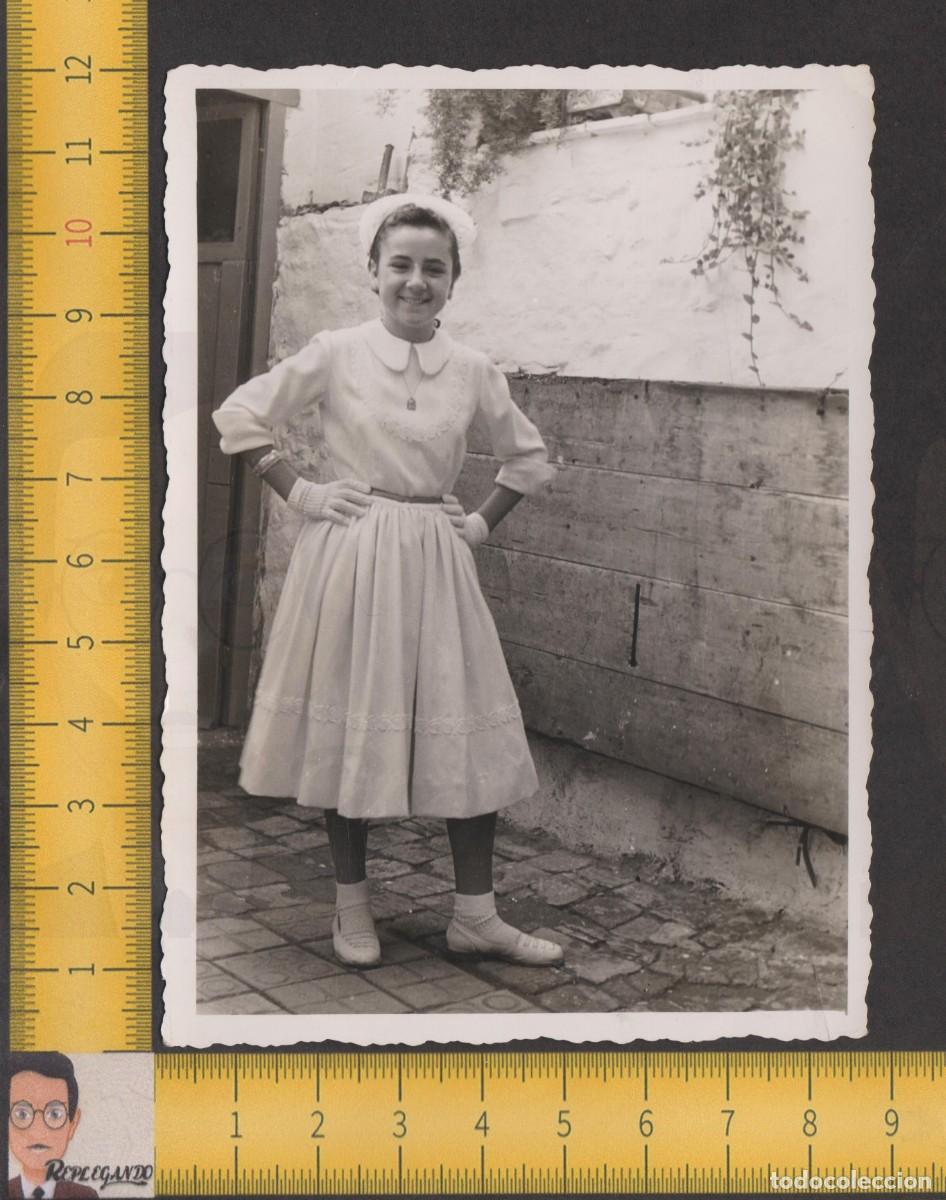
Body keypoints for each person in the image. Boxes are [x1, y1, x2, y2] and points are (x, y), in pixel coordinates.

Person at [212, 192, 563, 970]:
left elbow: (528, 456)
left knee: (467, 729)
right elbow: (241, 415)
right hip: (352, 556)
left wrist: (477, 523)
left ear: (453, 281)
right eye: (399, 264)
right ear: (372, 271)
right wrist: (301, 490)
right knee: (350, 728)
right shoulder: (336, 351)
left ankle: (476, 916)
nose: (415, 280)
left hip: (436, 562)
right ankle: (352, 909)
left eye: (433, 269)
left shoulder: (472, 371)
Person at [7, 1053, 97, 1199]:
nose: (38, 1131)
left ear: (72, 1124)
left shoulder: (85, 1196)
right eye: (22, 1114)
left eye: (55, 1114)